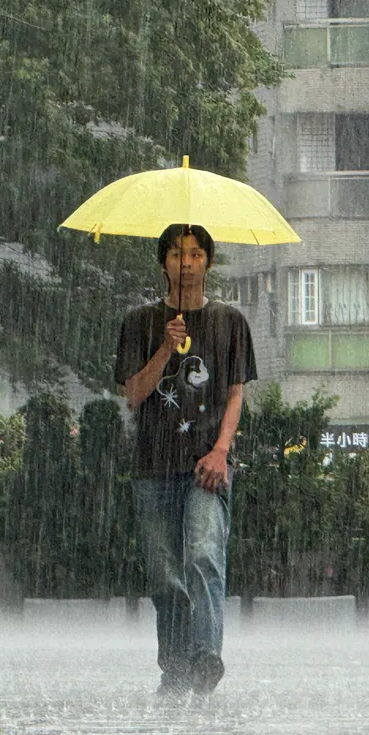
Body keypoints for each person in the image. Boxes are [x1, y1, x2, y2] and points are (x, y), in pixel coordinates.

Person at [115, 223, 256, 696]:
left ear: (208, 263)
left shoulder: (229, 323)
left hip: (205, 467)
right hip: (153, 467)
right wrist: (165, 348)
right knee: (164, 576)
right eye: (178, 255)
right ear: (164, 263)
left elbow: (234, 395)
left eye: (196, 254)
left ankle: (205, 657)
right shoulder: (140, 322)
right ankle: (176, 667)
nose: (187, 263)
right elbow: (133, 395)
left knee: (203, 556)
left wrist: (221, 451)